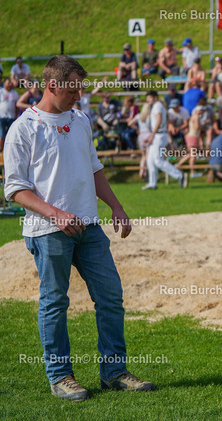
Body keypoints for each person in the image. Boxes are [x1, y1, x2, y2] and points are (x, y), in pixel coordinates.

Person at [3, 55, 155, 402]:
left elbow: (94, 168)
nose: (79, 95)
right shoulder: (23, 128)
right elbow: (14, 189)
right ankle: (60, 377)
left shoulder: (81, 119)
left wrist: (116, 206)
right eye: (73, 89)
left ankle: (114, 372)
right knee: (55, 302)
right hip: (48, 231)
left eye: (81, 88)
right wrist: (56, 214)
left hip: (89, 227)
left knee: (111, 297)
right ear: (52, 85)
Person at [142, 90, 187, 190]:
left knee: (158, 161)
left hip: (159, 135)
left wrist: (152, 136)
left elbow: (159, 120)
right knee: (150, 160)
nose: (148, 100)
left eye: (149, 97)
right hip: (158, 135)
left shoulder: (157, 105)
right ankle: (152, 183)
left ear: (155, 97)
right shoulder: (156, 106)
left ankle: (179, 175)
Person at [0, 78, 19, 151]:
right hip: (1, 117)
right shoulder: (1, 92)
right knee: (1, 135)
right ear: (4, 84)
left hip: (11, 117)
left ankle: (8, 150)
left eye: (10, 83)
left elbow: (17, 106)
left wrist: (16, 116)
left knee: (10, 135)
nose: (10, 84)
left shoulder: (14, 93)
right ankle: (1, 151)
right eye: (8, 83)